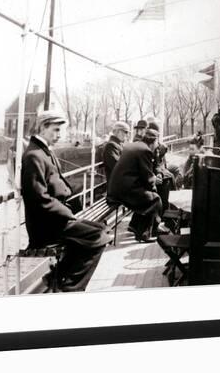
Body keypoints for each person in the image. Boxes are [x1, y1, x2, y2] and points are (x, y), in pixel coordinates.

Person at [21, 110, 112, 292]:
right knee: (98, 237)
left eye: (59, 131)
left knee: (103, 228)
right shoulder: (34, 156)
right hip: (46, 226)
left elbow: (57, 186)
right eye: (55, 130)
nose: (59, 135)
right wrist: (69, 215)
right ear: (42, 127)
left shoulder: (43, 152)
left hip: (56, 219)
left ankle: (58, 275)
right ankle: (72, 287)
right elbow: (38, 198)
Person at [107, 125, 168, 242]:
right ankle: (144, 234)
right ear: (154, 141)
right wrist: (154, 183)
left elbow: (143, 174)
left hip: (118, 188)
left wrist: (152, 182)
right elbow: (148, 177)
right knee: (154, 199)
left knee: (149, 195)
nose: (158, 146)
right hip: (123, 191)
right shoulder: (145, 150)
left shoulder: (135, 145)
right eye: (157, 143)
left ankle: (137, 226)